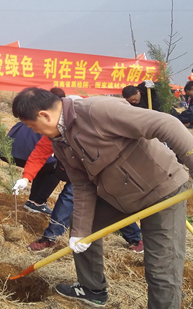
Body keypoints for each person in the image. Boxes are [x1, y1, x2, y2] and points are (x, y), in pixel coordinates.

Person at [11, 87, 193, 309]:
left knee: (161, 268)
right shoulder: (60, 140)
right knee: (82, 228)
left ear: (45, 115)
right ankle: (93, 289)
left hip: (163, 191)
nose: (35, 132)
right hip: (118, 196)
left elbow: (166, 123)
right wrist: (80, 232)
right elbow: (82, 185)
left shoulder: (98, 111)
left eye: (33, 126)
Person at [14, 108, 145, 254]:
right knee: (76, 196)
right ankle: (51, 237)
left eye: (34, 126)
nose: (35, 131)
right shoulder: (53, 131)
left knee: (105, 201)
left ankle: (136, 238)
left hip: (107, 167)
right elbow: (39, 154)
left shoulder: (88, 119)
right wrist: (26, 178)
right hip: (82, 171)